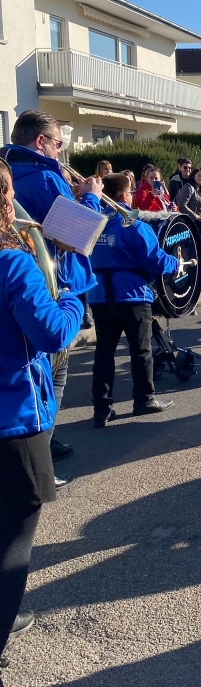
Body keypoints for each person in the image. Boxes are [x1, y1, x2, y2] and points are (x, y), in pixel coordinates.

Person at [0, 158, 83, 687]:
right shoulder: (13, 264)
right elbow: (53, 332)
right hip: (13, 423)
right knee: (11, 548)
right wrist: (73, 294)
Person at [1, 110, 102, 475]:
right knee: (52, 367)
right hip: (50, 284)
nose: (60, 152)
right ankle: (42, 444)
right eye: (58, 144)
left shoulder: (12, 170)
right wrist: (91, 198)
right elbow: (79, 234)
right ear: (40, 141)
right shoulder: (45, 176)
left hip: (24, 286)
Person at [89, 174, 179, 426]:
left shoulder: (93, 222)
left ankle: (101, 409)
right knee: (141, 351)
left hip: (99, 295)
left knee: (104, 352)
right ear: (125, 195)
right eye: (130, 192)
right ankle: (144, 400)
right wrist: (176, 263)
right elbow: (156, 260)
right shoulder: (133, 224)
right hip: (132, 295)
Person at [176, 168, 201, 254]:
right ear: (193, 176)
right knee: (192, 251)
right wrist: (196, 216)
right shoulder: (188, 187)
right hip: (191, 224)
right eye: (199, 175)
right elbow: (182, 205)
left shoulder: (200, 190)